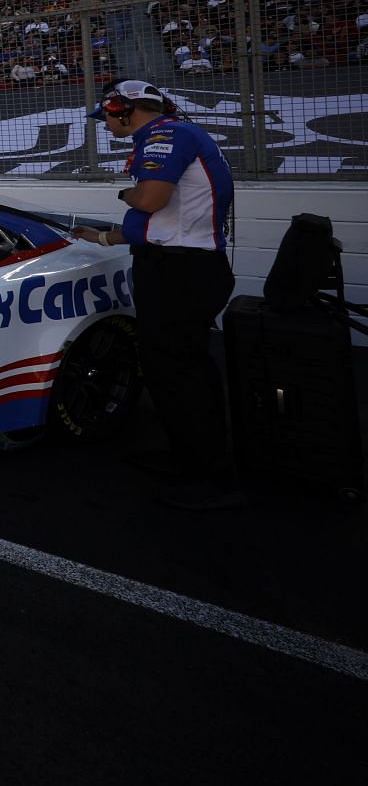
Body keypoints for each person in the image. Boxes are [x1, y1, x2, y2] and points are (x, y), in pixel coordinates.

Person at [71, 80, 240, 510]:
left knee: (180, 371)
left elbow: (149, 201)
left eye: (107, 116)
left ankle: (208, 476)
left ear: (123, 109)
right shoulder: (178, 134)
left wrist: (125, 192)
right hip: (182, 267)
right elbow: (163, 221)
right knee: (173, 368)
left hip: (181, 272)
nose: (105, 124)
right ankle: (189, 457)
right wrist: (106, 237)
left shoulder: (166, 136)